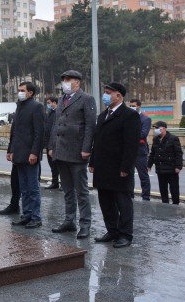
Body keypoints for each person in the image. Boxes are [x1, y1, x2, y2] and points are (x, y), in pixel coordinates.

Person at [90, 82, 140, 249]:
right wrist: (92, 162)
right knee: (106, 201)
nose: (105, 95)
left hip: (119, 168)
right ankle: (112, 230)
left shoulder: (129, 115)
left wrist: (126, 168)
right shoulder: (102, 115)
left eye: (108, 92)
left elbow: (131, 145)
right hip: (102, 167)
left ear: (119, 96)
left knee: (122, 202)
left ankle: (125, 234)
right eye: (105, 92)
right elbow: (97, 142)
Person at [49, 70, 96, 240]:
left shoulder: (86, 99)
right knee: (67, 190)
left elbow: (90, 125)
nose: (64, 83)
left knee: (81, 191)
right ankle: (69, 220)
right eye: (63, 80)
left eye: (68, 80)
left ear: (77, 82)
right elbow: (56, 125)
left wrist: (86, 148)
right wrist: (52, 146)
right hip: (61, 151)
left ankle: (85, 224)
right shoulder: (62, 99)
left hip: (77, 151)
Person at [9, 82, 45, 229]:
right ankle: (26, 214)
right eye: (19, 90)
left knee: (33, 188)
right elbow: (15, 131)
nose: (19, 92)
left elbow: (39, 132)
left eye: (22, 90)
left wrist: (34, 152)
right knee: (23, 188)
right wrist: (10, 150)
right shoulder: (19, 106)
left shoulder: (36, 107)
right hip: (19, 153)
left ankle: (36, 217)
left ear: (30, 93)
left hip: (30, 154)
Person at [147, 121, 183, 204]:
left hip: (171, 168)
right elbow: (153, 153)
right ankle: (165, 204)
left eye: (158, 127)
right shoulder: (156, 139)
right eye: (155, 128)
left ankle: (175, 204)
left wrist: (178, 166)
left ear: (164, 128)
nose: (156, 129)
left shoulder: (173, 138)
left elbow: (178, 153)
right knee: (163, 189)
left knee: (174, 188)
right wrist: (149, 165)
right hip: (160, 168)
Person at [129, 99, 152, 200]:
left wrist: (128, 134)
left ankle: (146, 197)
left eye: (133, 105)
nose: (131, 107)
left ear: (139, 106)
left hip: (140, 152)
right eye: (130, 105)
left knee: (143, 176)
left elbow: (143, 134)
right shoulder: (127, 117)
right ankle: (130, 196)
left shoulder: (145, 119)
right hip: (129, 152)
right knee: (129, 176)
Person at [44, 96, 60, 189]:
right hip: (48, 142)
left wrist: (52, 146)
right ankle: (55, 182)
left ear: (54, 102)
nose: (48, 104)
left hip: (54, 143)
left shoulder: (58, 113)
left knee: (58, 165)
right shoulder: (50, 113)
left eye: (49, 102)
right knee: (52, 165)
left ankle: (62, 183)